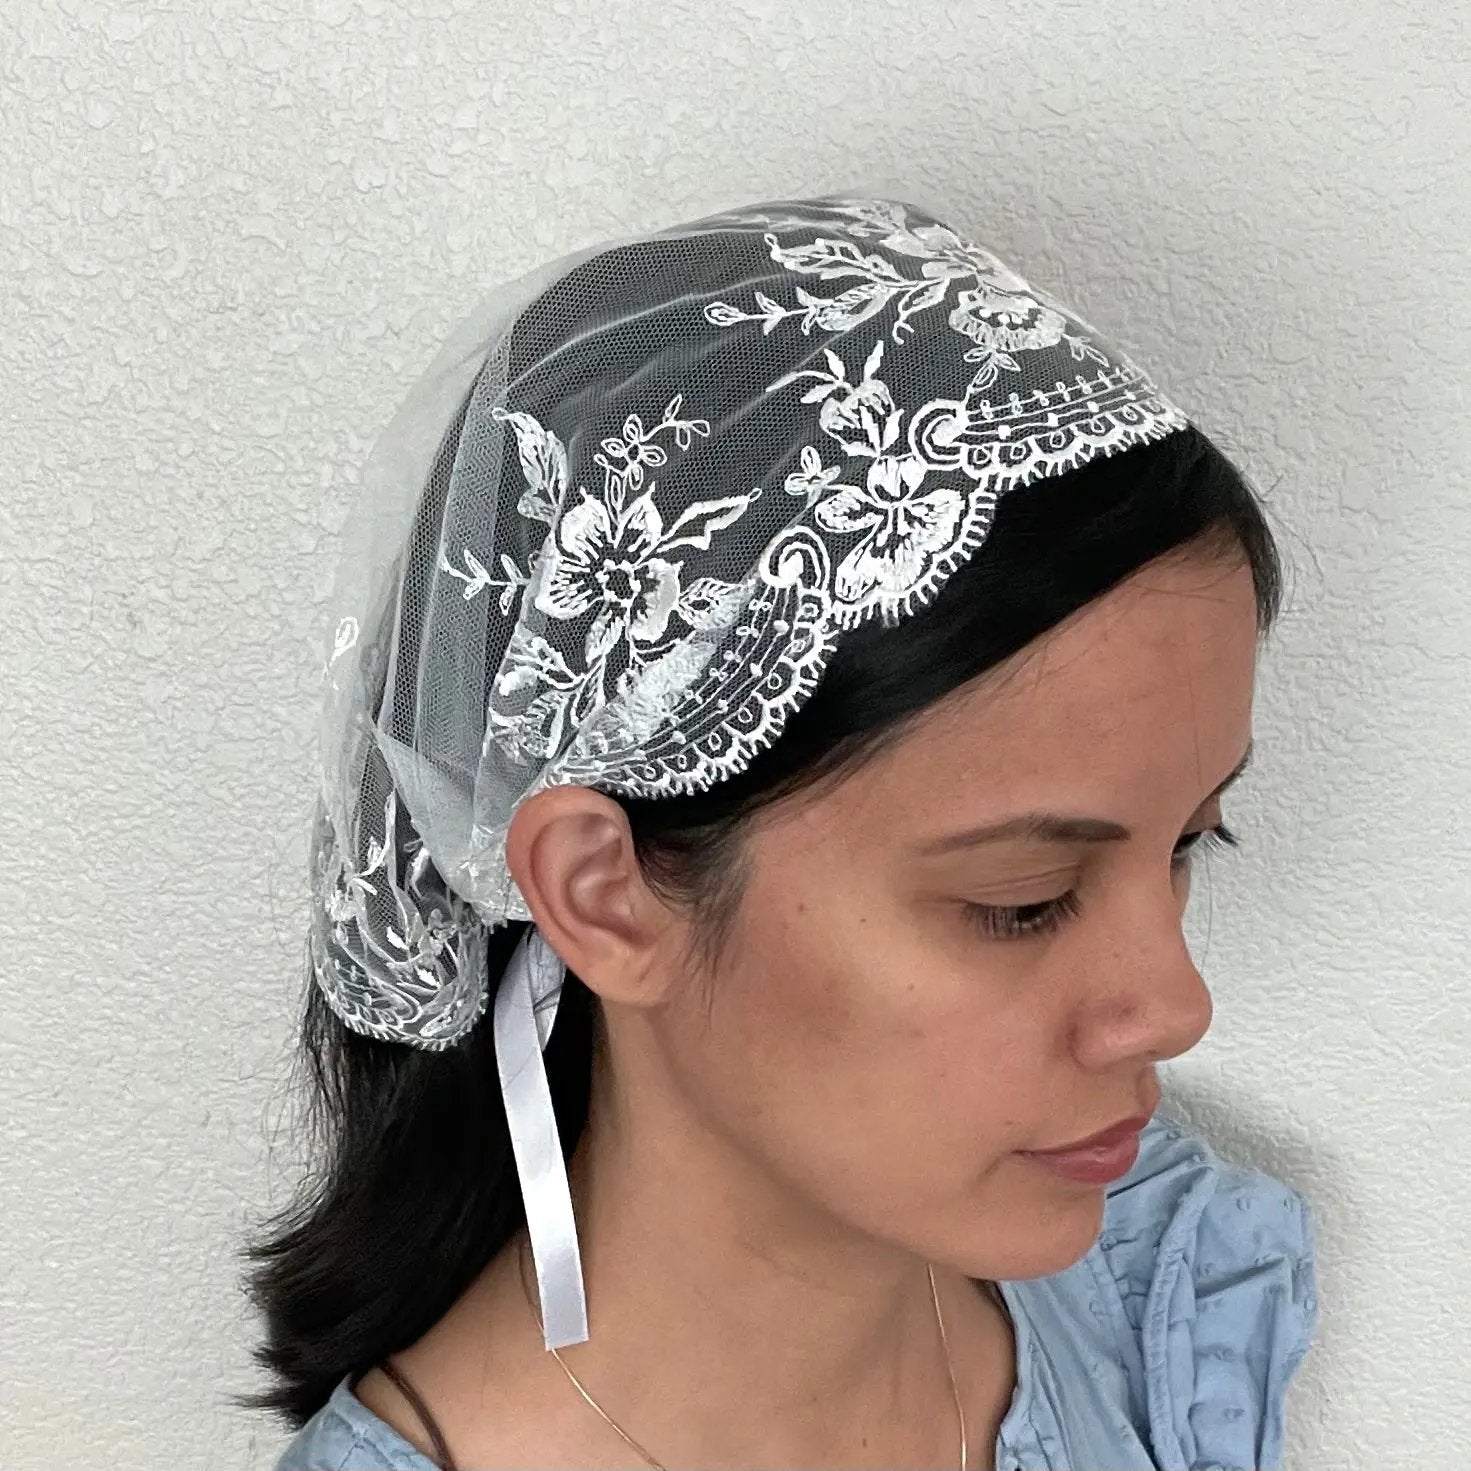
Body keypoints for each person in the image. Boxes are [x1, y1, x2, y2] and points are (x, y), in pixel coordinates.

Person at [241, 193, 1319, 1470]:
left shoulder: (1154, 1291)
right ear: (603, 892)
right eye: (1023, 899)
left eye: (1193, 841)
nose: (1173, 1004)